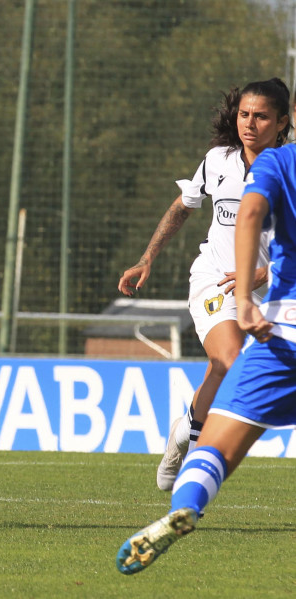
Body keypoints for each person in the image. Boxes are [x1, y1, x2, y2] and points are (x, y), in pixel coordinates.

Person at [116, 89, 296, 575]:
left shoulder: (282, 166)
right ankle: (195, 448)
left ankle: (188, 432)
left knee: (229, 370)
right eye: (244, 115)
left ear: (283, 122)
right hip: (215, 282)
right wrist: (147, 257)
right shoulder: (218, 161)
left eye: (261, 117)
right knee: (232, 358)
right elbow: (183, 207)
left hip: (266, 293)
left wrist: (257, 278)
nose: (249, 124)